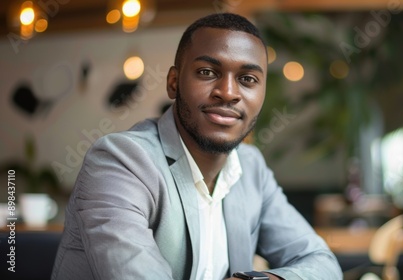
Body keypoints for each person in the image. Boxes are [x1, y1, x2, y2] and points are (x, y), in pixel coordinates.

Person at [51, 13, 342, 280]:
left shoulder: (251, 168)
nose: (227, 93)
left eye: (247, 79)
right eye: (207, 72)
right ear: (174, 83)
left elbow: (322, 264)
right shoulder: (121, 162)